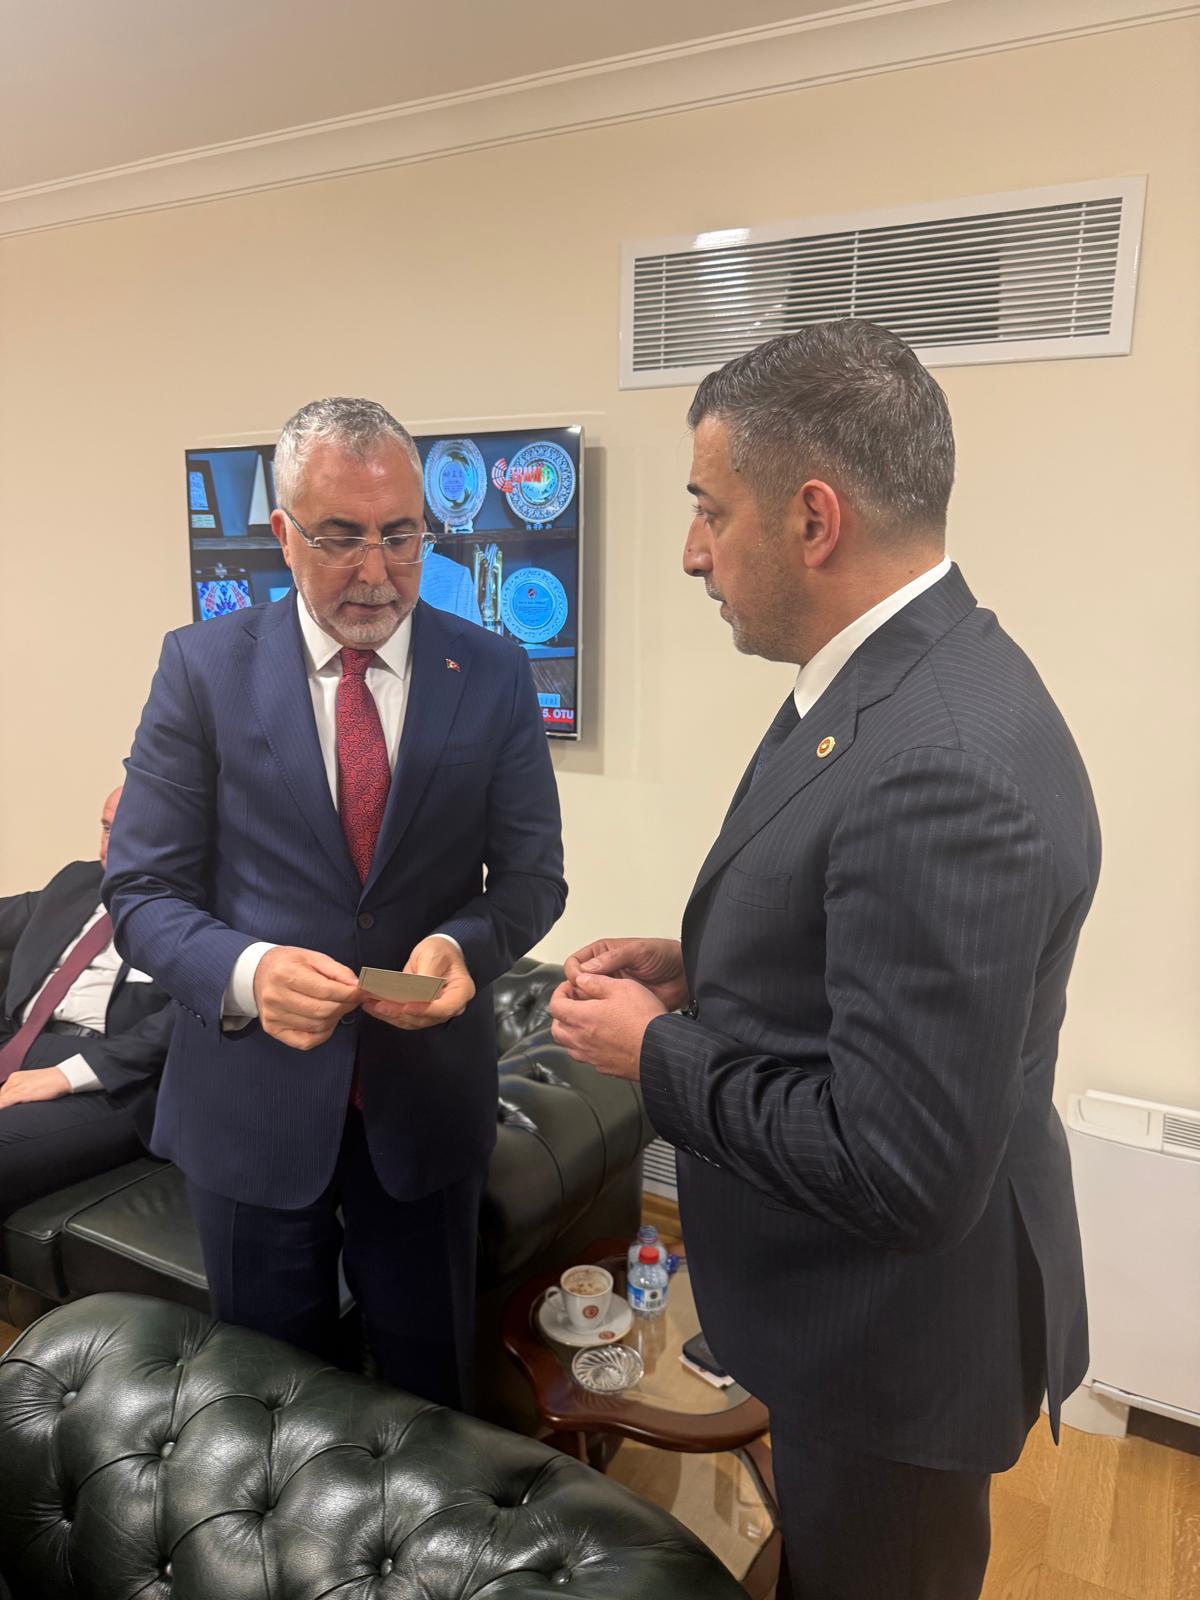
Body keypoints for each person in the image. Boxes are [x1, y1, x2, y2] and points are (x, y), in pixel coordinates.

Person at [549, 321, 1099, 1600]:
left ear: (812, 518)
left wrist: (653, 1049)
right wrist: (703, 966)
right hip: (855, 1329)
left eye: (709, 508)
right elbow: (861, 932)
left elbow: (901, 1167)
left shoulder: (940, 763)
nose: (692, 551)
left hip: (891, 1354)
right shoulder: (900, 677)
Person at [105, 396, 566, 1411]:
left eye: (400, 535)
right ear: (283, 534)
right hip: (251, 1111)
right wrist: (247, 971)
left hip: (425, 1112)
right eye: (341, 536)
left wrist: (462, 944)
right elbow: (140, 887)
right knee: (268, 1406)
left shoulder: (492, 671)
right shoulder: (202, 670)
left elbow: (535, 877)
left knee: (432, 1396)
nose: (376, 570)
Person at [0, 786, 173, 1215]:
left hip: (112, 1077)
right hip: (18, 1040)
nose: (108, 848)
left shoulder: (205, 913)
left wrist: (66, 1074)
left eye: (131, 831)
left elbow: (186, 1018)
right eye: (108, 827)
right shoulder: (77, 880)